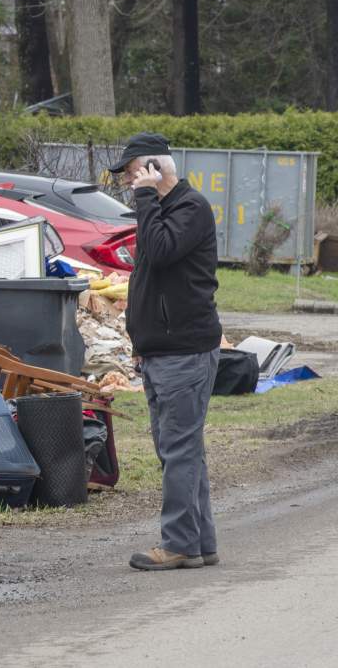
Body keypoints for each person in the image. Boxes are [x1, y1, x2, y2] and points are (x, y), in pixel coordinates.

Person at [110, 132, 223, 571]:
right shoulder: (165, 211)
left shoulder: (189, 208)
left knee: (178, 450)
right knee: (184, 449)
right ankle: (200, 543)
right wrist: (142, 343)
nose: (126, 182)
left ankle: (178, 544)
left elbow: (157, 254)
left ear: (152, 168)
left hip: (185, 353)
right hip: (163, 351)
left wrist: (145, 199)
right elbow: (149, 282)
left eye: (131, 173)